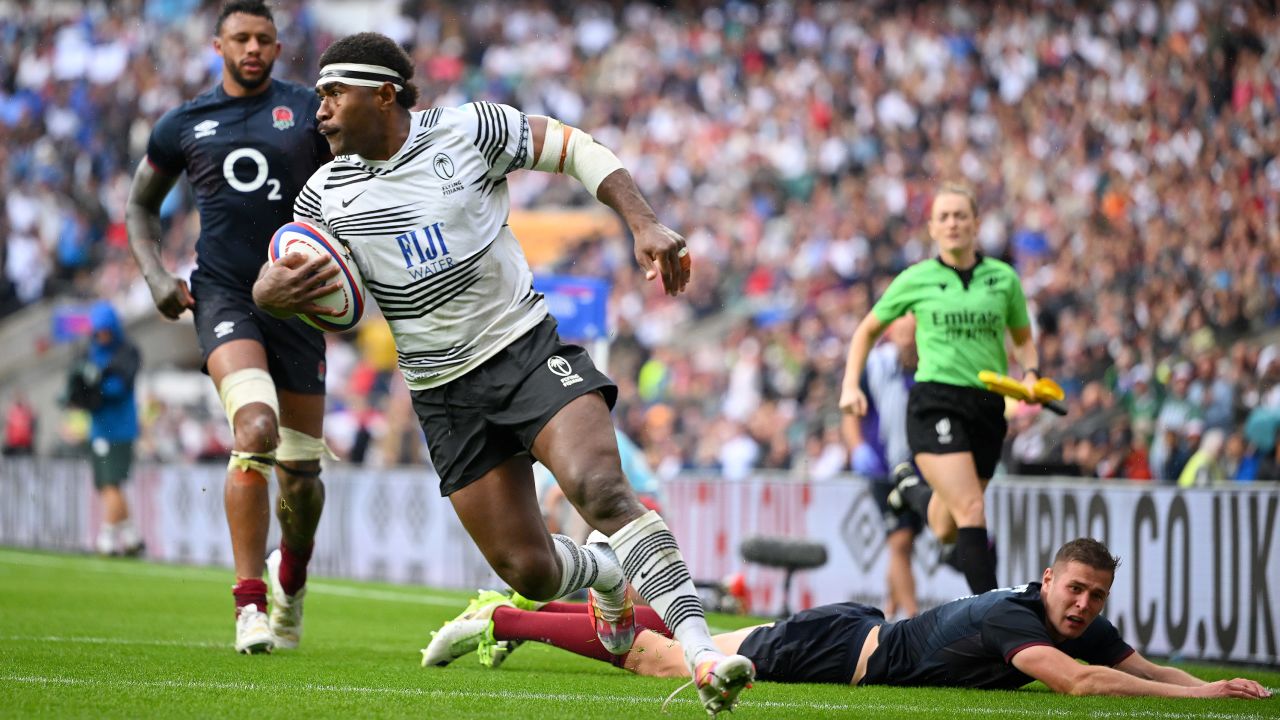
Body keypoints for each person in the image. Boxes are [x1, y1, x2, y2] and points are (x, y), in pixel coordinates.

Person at [251, 32, 752, 713]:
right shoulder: (323, 196)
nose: (321, 110)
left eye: (334, 93)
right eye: (319, 97)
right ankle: (603, 571)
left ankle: (702, 655)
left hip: (523, 351)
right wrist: (268, 295)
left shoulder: (469, 129)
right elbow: (293, 283)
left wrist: (644, 223)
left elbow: (575, 148)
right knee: (530, 571)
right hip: (441, 394)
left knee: (602, 488)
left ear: (384, 95)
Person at [427, 538, 1272, 701]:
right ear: (1048, 580)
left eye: (1094, 597)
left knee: (701, 639)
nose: (1083, 607)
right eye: (1074, 591)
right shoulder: (1026, 626)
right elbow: (1087, 684)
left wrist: (1202, 680)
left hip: (848, 636)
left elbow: (1128, 661)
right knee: (666, 659)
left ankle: (530, 611)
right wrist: (1198, 704)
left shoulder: (1064, 619)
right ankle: (509, 620)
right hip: (832, 647)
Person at [125, 0, 333, 654]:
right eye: (241, 38)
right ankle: (248, 604)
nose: (253, 48)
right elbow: (139, 204)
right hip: (224, 297)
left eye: (264, 39)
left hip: (299, 301)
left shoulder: (308, 110)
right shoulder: (184, 123)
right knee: (255, 432)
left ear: (277, 47)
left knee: (301, 475)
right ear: (218, 44)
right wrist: (157, 276)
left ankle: (290, 582)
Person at [839, 182, 1042, 595]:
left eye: (960, 215)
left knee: (946, 524)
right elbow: (867, 331)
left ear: (976, 224)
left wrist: (1032, 373)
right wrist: (849, 386)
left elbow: (1022, 336)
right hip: (935, 402)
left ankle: (911, 492)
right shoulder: (917, 279)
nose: (953, 223)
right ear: (931, 228)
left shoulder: (1003, 280)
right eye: (944, 217)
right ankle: (996, 617)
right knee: (971, 508)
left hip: (987, 406)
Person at [841, 314, 923, 619]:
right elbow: (851, 410)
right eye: (899, 325)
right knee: (899, 540)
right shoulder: (875, 364)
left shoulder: (931, 365)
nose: (904, 332)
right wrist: (857, 447)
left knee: (903, 544)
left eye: (910, 326)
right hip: (882, 469)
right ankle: (914, 618)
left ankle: (889, 609)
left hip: (921, 468)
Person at [63, 302, 144, 557]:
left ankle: (107, 537)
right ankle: (131, 536)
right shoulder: (88, 352)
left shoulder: (126, 352)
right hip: (99, 427)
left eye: (105, 330)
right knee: (109, 484)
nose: (102, 335)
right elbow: (80, 388)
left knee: (111, 484)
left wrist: (94, 383)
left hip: (119, 428)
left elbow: (118, 388)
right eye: (98, 331)